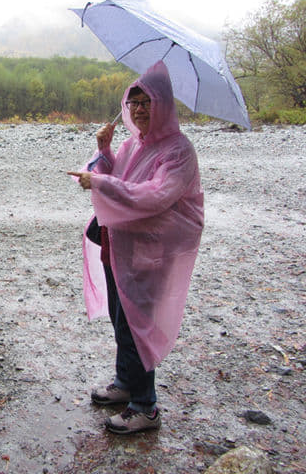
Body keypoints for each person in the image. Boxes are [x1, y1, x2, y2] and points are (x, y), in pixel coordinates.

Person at [67, 61, 204, 434]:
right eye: (135, 102)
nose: (140, 109)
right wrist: (104, 148)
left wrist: (99, 183)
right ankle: (126, 384)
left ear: (164, 105)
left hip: (150, 252)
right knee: (121, 319)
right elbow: (115, 176)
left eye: (147, 102)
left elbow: (154, 197)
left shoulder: (178, 151)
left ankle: (146, 407)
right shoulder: (133, 144)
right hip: (119, 246)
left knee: (139, 323)